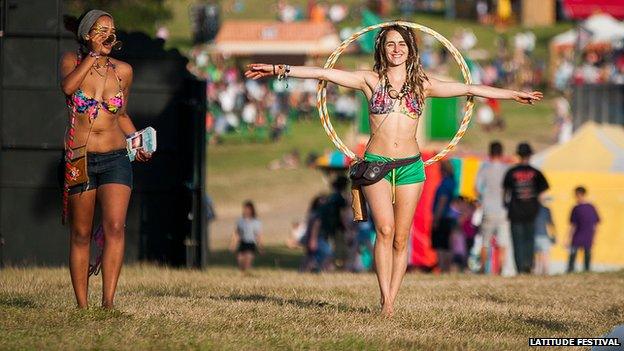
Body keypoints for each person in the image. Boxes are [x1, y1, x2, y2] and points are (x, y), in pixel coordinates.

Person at [244, 24, 542, 316]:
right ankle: (385, 298)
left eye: (402, 44)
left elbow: (468, 88)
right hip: (377, 166)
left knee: (402, 237)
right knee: (384, 231)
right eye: (390, 44)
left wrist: (513, 93)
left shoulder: (423, 84)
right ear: (382, 49)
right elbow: (323, 73)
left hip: (411, 167)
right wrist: (278, 69)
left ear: (411, 50)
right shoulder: (369, 80)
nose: (396, 49)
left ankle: (390, 301)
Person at [61, 10, 152, 309]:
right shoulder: (72, 62)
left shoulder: (123, 71)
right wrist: (92, 56)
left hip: (115, 158)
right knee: (81, 233)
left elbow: (122, 115)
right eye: (101, 30)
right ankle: (82, 306)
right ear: (88, 35)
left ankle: (108, 302)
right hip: (82, 158)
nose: (108, 34)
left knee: (115, 227)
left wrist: (139, 141)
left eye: (111, 29)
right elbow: (67, 88)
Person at [503, 142, 549, 274]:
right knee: (529, 240)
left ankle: (520, 268)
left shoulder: (511, 172)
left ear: (518, 155)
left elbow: (505, 192)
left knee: (517, 241)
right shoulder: (536, 172)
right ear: (530, 155)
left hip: (515, 212)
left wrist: (506, 205)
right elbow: (543, 193)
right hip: (532, 212)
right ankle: (528, 265)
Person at [475, 141, 515, 276]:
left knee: (485, 241)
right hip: (503, 210)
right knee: (503, 242)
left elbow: (477, 187)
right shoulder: (507, 169)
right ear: (502, 152)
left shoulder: (484, 168)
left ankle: (482, 269)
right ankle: (501, 269)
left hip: (488, 209)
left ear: (490, 152)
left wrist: (482, 198)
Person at [431, 160, 458, 273]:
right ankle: (446, 268)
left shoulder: (445, 183)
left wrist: (436, 218)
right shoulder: (452, 182)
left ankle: (443, 267)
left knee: (441, 245)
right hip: (449, 216)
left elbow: (442, 201)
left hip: (443, 217)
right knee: (447, 244)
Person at [567, 186, 600, 273]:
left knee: (587, 254)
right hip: (577, 235)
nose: (576, 197)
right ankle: (570, 270)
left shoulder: (591, 207)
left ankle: (587, 270)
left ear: (581, 194)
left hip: (588, 235)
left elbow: (596, 224)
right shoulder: (575, 208)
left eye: (576, 195)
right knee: (573, 253)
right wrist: (569, 238)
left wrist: (594, 237)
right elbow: (573, 225)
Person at [229, 201, 264, 272]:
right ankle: (242, 276)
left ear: (252, 210)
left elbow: (258, 235)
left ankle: (248, 275)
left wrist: (260, 247)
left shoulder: (256, 222)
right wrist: (233, 245)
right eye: (245, 209)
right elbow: (236, 234)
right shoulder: (240, 221)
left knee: (247, 262)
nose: (246, 211)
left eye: (248, 209)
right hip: (242, 243)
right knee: (240, 261)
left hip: (251, 243)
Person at [533, 197, 556, 275]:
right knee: (544, 255)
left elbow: (551, 223)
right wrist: (553, 235)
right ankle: (545, 272)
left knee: (538, 256)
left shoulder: (532, 209)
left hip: (536, 235)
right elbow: (551, 223)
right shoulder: (546, 210)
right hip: (543, 236)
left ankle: (539, 271)